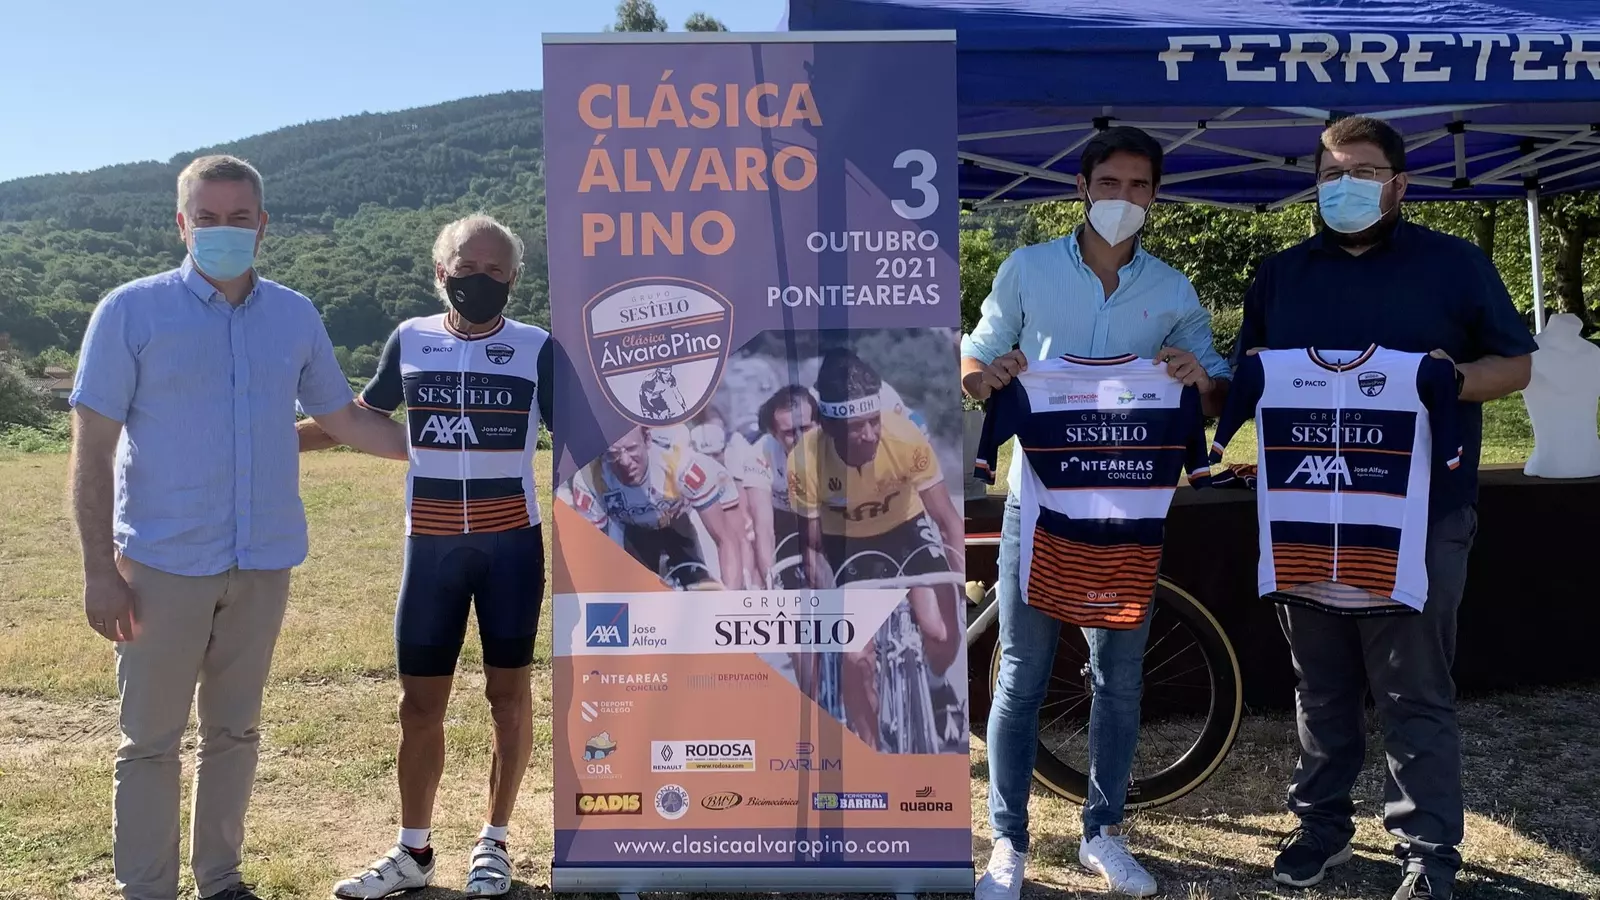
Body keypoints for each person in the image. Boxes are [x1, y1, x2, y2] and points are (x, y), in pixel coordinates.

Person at [68, 155, 407, 900]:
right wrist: (98, 570)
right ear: (182, 224)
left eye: (239, 217)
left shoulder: (294, 315)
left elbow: (344, 418)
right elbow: (92, 449)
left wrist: (443, 450)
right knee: (149, 742)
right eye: (208, 218)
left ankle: (221, 881)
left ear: (263, 226)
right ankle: (148, 891)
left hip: (261, 562)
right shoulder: (130, 312)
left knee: (235, 734)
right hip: (160, 565)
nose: (224, 230)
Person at [1236, 116, 1535, 900]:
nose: (1345, 187)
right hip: (1305, 511)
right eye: (1331, 174)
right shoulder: (1281, 274)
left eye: (1363, 173)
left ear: (1400, 184)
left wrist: (1454, 379)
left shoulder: (1455, 264)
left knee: (1412, 686)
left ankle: (1428, 849)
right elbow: (1245, 376)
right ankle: (1321, 827)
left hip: (1424, 513)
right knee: (1320, 684)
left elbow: (1515, 367)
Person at [961, 126, 1231, 898]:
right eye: (1109, 183)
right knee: (1022, 673)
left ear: (1155, 196)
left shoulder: (1172, 290)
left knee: (1119, 676)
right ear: (1082, 187)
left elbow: (1215, 389)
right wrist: (987, 377)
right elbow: (972, 357)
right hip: (1039, 503)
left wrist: (1199, 379)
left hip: (1129, 506)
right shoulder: (1027, 268)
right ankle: (1008, 843)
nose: (1123, 198)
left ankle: (1103, 833)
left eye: (1138, 186)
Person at [297, 214, 551, 898]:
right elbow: (356, 418)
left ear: (514, 279)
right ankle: (413, 851)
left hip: (511, 546)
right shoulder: (410, 338)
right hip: (431, 546)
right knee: (417, 706)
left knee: (508, 698)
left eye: (495, 271)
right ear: (442, 273)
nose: (481, 280)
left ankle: (495, 841)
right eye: (467, 268)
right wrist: (268, 440)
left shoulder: (536, 347)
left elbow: (584, 440)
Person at [787, 348, 965, 754]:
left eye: (874, 420)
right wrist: (834, 610)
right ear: (830, 427)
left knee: (940, 631)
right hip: (847, 543)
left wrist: (958, 584)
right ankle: (868, 751)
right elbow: (812, 546)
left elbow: (948, 520)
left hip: (907, 528)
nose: (870, 434)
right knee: (855, 655)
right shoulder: (805, 461)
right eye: (856, 427)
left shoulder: (904, 436)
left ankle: (937, 686)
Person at [562, 425, 746, 590]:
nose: (625, 461)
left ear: (647, 439)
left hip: (681, 519)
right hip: (631, 529)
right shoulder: (589, 479)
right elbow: (592, 553)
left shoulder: (681, 464)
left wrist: (728, 601)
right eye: (613, 454)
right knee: (626, 583)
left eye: (631, 449)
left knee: (707, 578)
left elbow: (725, 539)